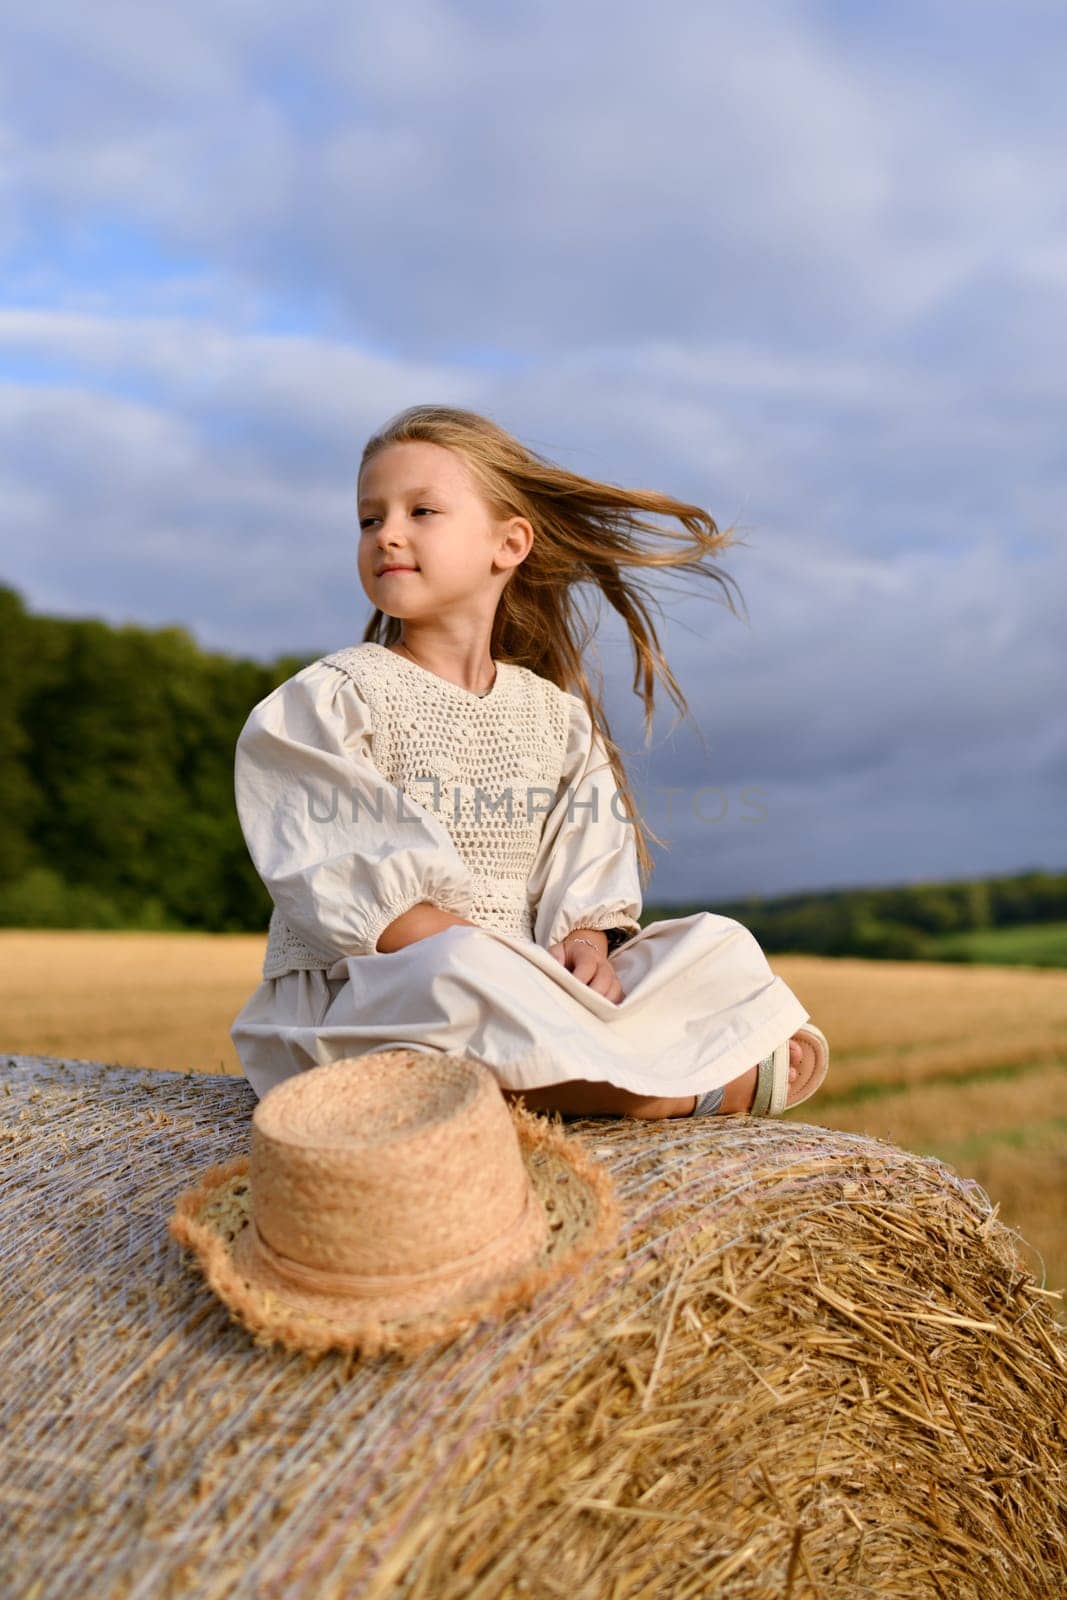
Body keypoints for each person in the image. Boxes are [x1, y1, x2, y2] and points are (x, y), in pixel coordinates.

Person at [229, 404, 828, 1120]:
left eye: (421, 511)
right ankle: (658, 1089)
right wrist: (526, 974)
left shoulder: (555, 718)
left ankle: (605, 1058)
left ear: (508, 543)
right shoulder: (330, 700)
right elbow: (366, 901)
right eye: (368, 519)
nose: (386, 533)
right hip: (377, 994)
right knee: (457, 970)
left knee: (714, 942)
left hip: (532, 985)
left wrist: (581, 947)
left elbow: (586, 860)